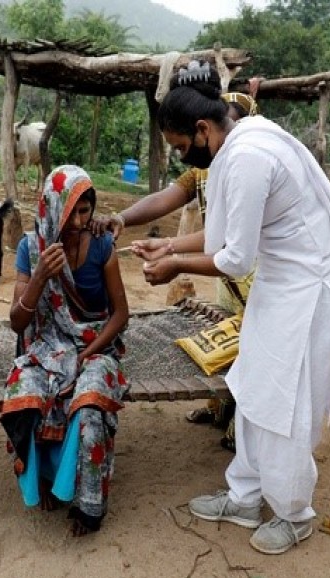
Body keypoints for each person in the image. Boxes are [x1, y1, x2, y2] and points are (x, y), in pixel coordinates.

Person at [134, 60, 330, 555]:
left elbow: (235, 259)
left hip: (305, 289)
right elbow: (223, 236)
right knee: (255, 385)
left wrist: (175, 267)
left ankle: (294, 512)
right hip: (280, 283)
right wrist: (170, 249)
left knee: (285, 399)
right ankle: (245, 496)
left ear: (201, 129)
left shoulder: (250, 155)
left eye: (179, 147)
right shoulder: (236, 144)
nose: (180, 158)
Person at [89, 92, 259, 451]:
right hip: (227, 273)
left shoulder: (247, 166)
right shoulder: (204, 167)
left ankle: (243, 427)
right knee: (229, 340)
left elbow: (233, 241)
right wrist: (123, 218)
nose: (184, 154)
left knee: (254, 347)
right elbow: (166, 198)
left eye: (182, 146)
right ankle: (222, 407)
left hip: (253, 273)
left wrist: (174, 255)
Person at [0, 165, 130, 536]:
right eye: (70, 211)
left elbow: (120, 315)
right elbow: (16, 323)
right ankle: (44, 479)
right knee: (24, 395)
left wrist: (92, 352)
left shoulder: (102, 246)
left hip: (95, 344)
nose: (77, 221)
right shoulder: (31, 248)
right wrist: (40, 275)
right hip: (47, 345)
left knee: (89, 405)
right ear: (52, 208)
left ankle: (90, 507)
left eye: (85, 211)